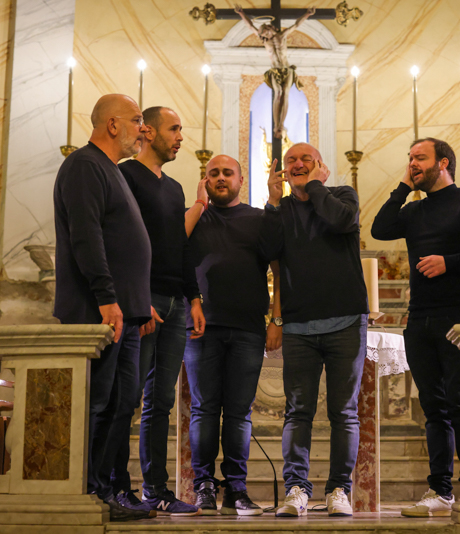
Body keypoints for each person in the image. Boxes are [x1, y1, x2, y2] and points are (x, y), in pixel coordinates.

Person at [371, 138, 460, 517]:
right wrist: (403, 186)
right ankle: (440, 490)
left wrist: (449, 262)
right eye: (409, 158)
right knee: (433, 408)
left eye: (420, 158)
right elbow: (379, 228)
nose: (412, 163)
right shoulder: (413, 210)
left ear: (443, 162)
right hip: (419, 318)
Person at [53, 94, 156, 522]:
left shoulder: (110, 169)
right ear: (112, 125)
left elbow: (120, 240)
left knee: (121, 402)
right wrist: (107, 297)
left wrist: (138, 303)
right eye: (137, 120)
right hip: (98, 311)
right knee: (97, 403)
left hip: (125, 312)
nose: (144, 129)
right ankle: (84, 492)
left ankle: (103, 490)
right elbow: (87, 235)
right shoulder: (84, 165)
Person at [262, 142, 368, 518]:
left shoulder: (342, 195)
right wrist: (273, 202)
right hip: (298, 325)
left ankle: (339, 489)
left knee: (344, 411)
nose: (297, 164)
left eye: (306, 159)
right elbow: (267, 251)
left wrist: (317, 187)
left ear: (321, 166)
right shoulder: (281, 209)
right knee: (298, 411)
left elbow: (342, 222)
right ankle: (296, 489)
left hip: (345, 320)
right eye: (291, 160)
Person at [114, 106, 205, 516]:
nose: (180, 137)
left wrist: (194, 298)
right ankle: (117, 487)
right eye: (175, 129)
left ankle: (156, 490)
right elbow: (124, 242)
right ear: (148, 132)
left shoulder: (174, 188)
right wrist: (138, 299)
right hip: (144, 301)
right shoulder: (126, 176)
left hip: (175, 302)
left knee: (160, 402)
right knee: (128, 397)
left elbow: (178, 246)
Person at [183, 154, 282, 516]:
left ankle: (236, 489)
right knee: (204, 410)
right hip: (201, 327)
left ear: (241, 180)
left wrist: (277, 319)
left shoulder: (258, 219)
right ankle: (204, 486)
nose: (221, 178)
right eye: (214, 173)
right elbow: (171, 247)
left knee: (239, 413)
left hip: (247, 328)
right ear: (205, 180)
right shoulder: (194, 216)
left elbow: (279, 269)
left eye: (228, 173)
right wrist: (198, 205)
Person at [234, 4, 315, 138]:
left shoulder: (282, 36)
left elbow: (296, 25)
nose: (264, 36)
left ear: (270, 29)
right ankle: (276, 125)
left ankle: (281, 124)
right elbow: (250, 27)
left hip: (287, 70)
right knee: (278, 93)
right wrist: (241, 13)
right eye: (262, 34)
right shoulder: (266, 41)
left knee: (286, 94)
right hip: (274, 71)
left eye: (265, 33)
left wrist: (307, 14)